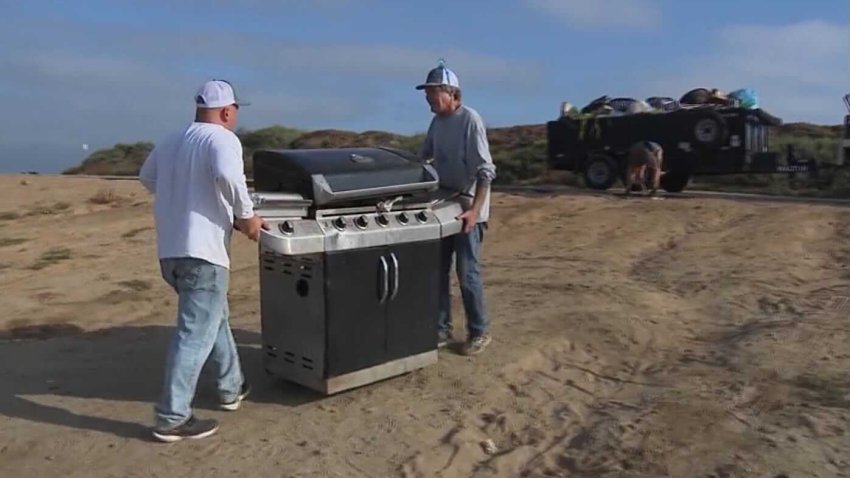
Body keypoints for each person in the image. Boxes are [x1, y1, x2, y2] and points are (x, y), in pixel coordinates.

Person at [139, 79, 267, 442]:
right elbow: (229, 176)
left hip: (171, 253)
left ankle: (232, 387)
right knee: (194, 334)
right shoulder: (223, 139)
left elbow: (146, 178)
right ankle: (172, 416)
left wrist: (181, 195)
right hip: (203, 253)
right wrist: (246, 217)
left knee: (214, 318)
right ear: (227, 111)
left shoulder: (170, 140)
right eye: (236, 110)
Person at [416, 61, 497, 356]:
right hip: (444, 204)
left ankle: (479, 331)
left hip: (467, 207)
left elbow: (485, 171)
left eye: (432, 93)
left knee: (467, 273)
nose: (427, 99)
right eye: (426, 93)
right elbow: (425, 156)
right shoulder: (437, 122)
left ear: (450, 93)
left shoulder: (470, 120)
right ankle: (441, 328)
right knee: (438, 270)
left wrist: (475, 212)